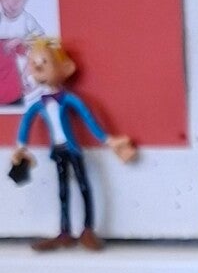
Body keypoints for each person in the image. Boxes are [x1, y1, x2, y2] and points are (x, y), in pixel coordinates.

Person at [7, 34, 135, 248]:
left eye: (44, 62)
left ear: (65, 68)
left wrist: (106, 139)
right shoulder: (39, 104)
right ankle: (64, 232)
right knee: (62, 190)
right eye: (34, 64)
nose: (38, 68)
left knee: (84, 186)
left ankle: (87, 229)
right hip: (57, 150)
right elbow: (26, 123)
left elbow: (88, 118)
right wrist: (21, 147)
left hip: (72, 149)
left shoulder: (69, 100)